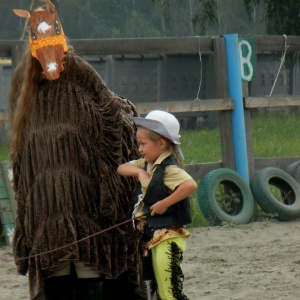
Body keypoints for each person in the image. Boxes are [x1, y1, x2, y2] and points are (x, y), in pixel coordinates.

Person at [9, 1, 146, 299]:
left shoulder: (81, 73)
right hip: (47, 205)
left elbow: (112, 114)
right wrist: (25, 223)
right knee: (56, 269)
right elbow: (20, 158)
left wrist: (110, 189)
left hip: (84, 199)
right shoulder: (25, 87)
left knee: (89, 264)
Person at [117, 110, 198, 300]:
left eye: (143, 144)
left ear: (161, 144)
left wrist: (164, 203)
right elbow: (121, 168)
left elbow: (190, 185)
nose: (139, 149)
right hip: (155, 237)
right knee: (159, 289)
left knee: (170, 290)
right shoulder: (147, 164)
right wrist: (140, 174)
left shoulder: (169, 168)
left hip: (169, 237)